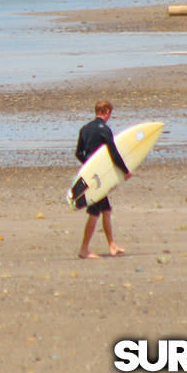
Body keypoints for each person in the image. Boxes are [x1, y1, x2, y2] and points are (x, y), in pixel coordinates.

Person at [76, 99, 131, 259]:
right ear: (106, 111)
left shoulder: (84, 129)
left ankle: (112, 245)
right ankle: (84, 250)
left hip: (91, 175)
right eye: (110, 113)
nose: (109, 116)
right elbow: (114, 153)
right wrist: (125, 171)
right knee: (94, 212)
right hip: (100, 178)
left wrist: (88, 167)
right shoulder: (104, 130)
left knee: (106, 211)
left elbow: (79, 153)